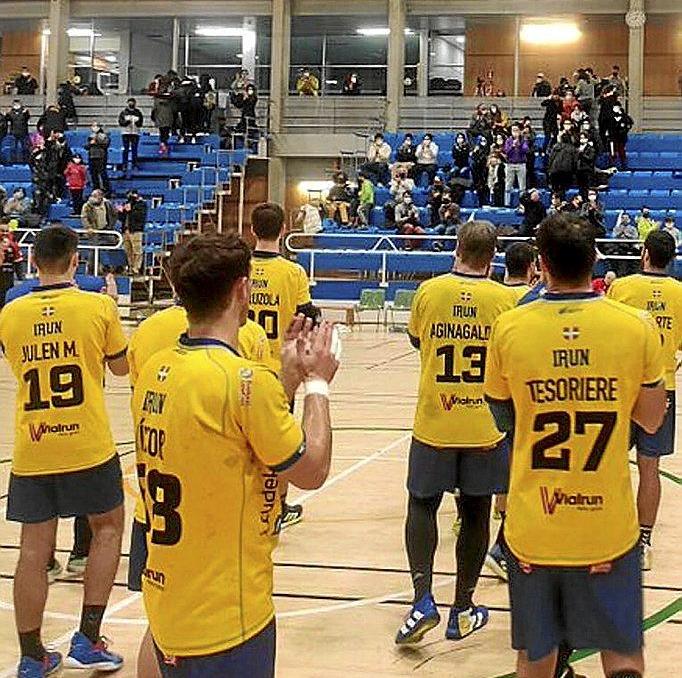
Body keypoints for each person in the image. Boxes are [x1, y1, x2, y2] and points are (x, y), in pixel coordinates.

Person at [130, 233, 336, 678]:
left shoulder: (156, 370)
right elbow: (312, 469)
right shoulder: (242, 381)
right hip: (228, 615)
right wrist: (316, 383)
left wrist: (284, 376)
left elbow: (240, 440)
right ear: (242, 290)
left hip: (169, 602)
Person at [484, 213, 666, 678]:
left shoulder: (509, 327)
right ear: (595, 262)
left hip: (535, 524)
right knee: (622, 652)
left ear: (541, 263)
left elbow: (503, 417)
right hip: (608, 526)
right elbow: (650, 419)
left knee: (536, 657)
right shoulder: (636, 325)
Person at [125, 265, 274, 678]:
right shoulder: (248, 339)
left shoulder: (148, 337)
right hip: (213, 517)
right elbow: (261, 432)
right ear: (238, 289)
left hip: (154, 509)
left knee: (160, 628)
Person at [0, 225, 129, 677]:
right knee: (109, 528)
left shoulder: (10, 313)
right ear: (77, 261)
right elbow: (120, 367)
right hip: (87, 443)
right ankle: (89, 638)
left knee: (33, 550)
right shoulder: (97, 306)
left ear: (33, 262)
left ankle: (32, 655)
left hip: (33, 446)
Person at [396, 221, 516, 647]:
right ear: (493, 256)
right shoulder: (504, 300)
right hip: (483, 425)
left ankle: (421, 599)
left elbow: (416, 340)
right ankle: (462, 609)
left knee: (422, 504)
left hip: (434, 421)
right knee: (477, 511)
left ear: (458, 249)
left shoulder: (429, 291)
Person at [608, 230, 682, 571]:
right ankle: (643, 541)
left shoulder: (622, 288)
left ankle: (611, 532)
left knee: (610, 463)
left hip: (622, 388)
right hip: (661, 388)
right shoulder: (680, 293)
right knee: (650, 467)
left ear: (645, 253)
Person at [249, 203, 320, 529]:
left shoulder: (240, 268)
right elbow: (307, 316)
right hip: (278, 371)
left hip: (236, 364)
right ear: (282, 231)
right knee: (279, 441)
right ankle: (276, 506)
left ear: (252, 230)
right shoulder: (293, 272)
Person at [81, 189, 117, 275]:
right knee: (93, 250)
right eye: (92, 196)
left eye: (95, 196)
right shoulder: (87, 206)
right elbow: (84, 218)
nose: (93, 198)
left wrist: (110, 226)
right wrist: (89, 227)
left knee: (115, 245)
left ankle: (115, 267)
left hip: (106, 229)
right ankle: (91, 270)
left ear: (101, 197)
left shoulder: (107, 204)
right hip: (94, 231)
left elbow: (114, 214)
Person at [119, 190, 148, 275]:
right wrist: (121, 211)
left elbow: (140, 217)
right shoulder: (127, 203)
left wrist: (130, 210)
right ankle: (130, 267)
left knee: (137, 250)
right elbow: (122, 218)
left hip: (135, 230)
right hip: (126, 229)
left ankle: (136, 268)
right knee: (128, 250)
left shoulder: (141, 204)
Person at [503, 125, 529, 207]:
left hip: (521, 164)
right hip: (510, 164)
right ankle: (507, 203)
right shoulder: (508, 140)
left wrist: (519, 145)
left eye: (516, 130)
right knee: (508, 185)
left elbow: (525, 150)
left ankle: (522, 203)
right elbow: (506, 151)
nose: (515, 132)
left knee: (522, 186)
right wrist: (512, 146)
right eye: (513, 130)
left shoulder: (523, 140)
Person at [0, 218, 24, 307]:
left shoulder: (13, 245)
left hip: (8, 278)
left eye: (7, 231)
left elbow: (18, 261)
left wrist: (21, 278)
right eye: (2, 231)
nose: (5, 233)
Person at [118, 98, 143, 172]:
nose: (131, 104)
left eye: (132, 102)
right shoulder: (123, 112)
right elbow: (121, 122)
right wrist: (127, 122)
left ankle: (134, 164)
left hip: (135, 133)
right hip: (126, 133)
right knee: (125, 149)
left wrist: (137, 122)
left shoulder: (138, 112)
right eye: (130, 102)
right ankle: (124, 165)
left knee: (134, 150)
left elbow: (140, 123)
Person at [605, 103, 633, 169]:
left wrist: (624, 130)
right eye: (614, 107)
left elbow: (629, 124)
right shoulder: (610, 117)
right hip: (612, 137)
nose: (615, 108)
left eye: (617, 107)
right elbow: (606, 126)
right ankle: (611, 164)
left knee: (621, 150)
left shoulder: (624, 117)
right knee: (612, 151)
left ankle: (623, 164)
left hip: (621, 137)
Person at [86, 122, 110, 194]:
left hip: (101, 157)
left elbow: (106, 144)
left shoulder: (103, 135)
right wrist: (90, 143)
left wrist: (96, 141)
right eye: (92, 126)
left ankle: (106, 189)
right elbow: (86, 146)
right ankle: (96, 188)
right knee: (93, 174)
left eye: (95, 126)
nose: (93, 128)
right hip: (92, 156)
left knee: (102, 174)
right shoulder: (90, 136)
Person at [5, 99, 30, 163]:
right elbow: (7, 120)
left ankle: (25, 161)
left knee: (24, 148)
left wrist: (26, 113)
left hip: (23, 132)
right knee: (13, 148)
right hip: (14, 132)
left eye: (17, 103)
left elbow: (27, 118)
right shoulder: (11, 112)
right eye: (15, 104)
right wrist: (7, 114)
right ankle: (13, 161)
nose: (16, 105)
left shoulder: (24, 111)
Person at [152, 91, 175, 157]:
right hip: (168, 121)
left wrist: (155, 119)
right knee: (166, 134)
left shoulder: (157, 103)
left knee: (162, 134)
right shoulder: (171, 103)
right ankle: (164, 145)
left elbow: (153, 112)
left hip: (160, 121)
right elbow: (174, 112)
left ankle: (163, 146)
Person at [576, 131, 597, 198]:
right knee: (581, 189)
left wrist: (581, 154)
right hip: (579, 171)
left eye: (584, 138)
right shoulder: (577, 148)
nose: (582, 139)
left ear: (587, 139)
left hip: (587, 171)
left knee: (587, 189)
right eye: (581, 138)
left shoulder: (591, 149)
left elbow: (590, 158)